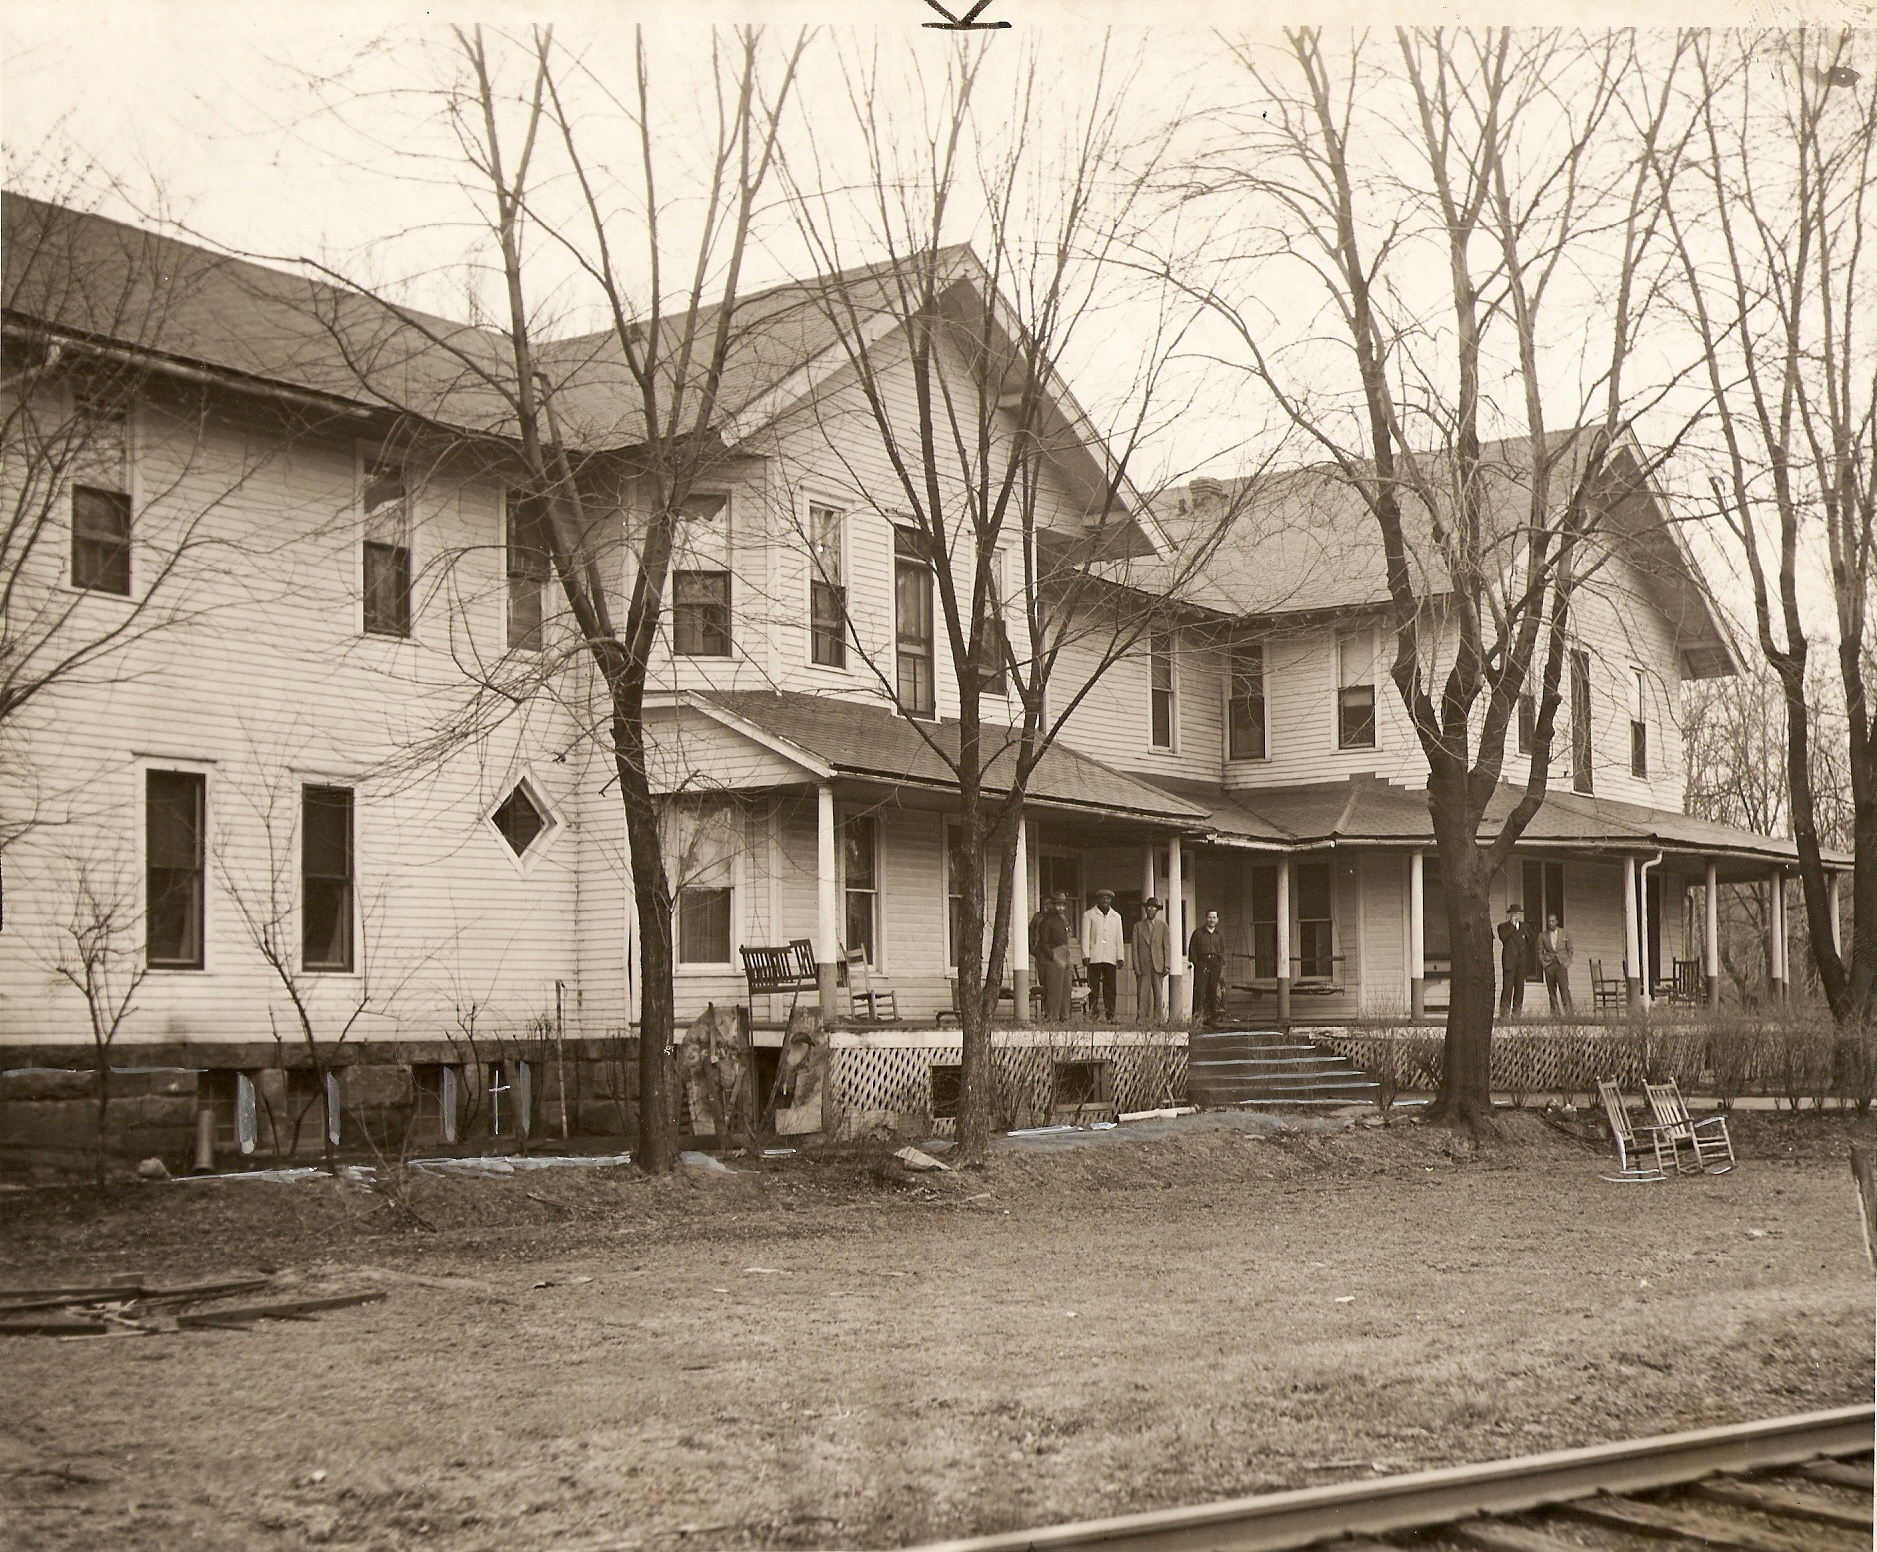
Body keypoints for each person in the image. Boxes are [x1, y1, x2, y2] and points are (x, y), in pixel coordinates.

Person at [1081, 887, 1124, 1020]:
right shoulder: (1089, 915)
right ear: (1098, 900)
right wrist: (1085, 955)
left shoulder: (1116, 917)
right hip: (1094, 956)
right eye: (1102, 898)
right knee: (1093, 987)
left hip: (1110, 956)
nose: (1105, 901)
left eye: (1107, 898)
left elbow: (1119, 938)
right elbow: (1085, 937)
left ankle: (1110, 1015)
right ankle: (1093, 1014)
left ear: (1110, 900)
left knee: (1110, 987)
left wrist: (1120, 957)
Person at [1129, 896, 1170, 1024]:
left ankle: (1158, 1019)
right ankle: (1141, 1018)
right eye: (1149, 907)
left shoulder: (1162, 926)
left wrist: (1167, 965)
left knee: (1158, 993)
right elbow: (1134, 948)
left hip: (1158, 964)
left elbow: (1167, 946)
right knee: (1142, 993)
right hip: (1144, 964)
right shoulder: (1138, 926)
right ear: (1146, 909)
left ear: (1157, 910)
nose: (1151, 909)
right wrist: (1136, 966)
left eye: (1154, 907)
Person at [1036, 893, 1074, 1022]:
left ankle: (1065, 1016)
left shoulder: (1063, 920)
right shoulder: (1046, 921)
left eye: (1062, 905)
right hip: (1053, 956)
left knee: (1066, 987)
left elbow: (1068, 935)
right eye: (1058, 905)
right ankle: (1051, 1016)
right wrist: (1053, 956)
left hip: (1065, 954)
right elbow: (1043, 942)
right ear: (1052, 905)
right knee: (1055, 989)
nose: (1060, 908)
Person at [1187, 908, 1227, 1027]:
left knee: (1212, 991)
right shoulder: (1198, 933)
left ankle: (1211, 1018)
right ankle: (1197, 1019)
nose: (1212, 920)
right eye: (1210, 917)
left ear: (1217, 920)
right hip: (1202, 963)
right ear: (1206, 919)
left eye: (1214, 918)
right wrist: (1197, 963)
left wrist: (1219, 963)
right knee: (1199, 991)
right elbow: (1192, 950)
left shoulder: (1219, 935)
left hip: (1215, 964)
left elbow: (1222, 950)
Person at [1497, 902, 1530, 1015]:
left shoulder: (1524, 927)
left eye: (1518, 913)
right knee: (1507, 988)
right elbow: (1504, 938)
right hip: (1509, 962)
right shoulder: (1503, 927)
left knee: (1519, 989)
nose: (1516, 916)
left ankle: (1517, 1014)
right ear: (1509, 915)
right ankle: (1504, 1014)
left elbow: (1530, 940)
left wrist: (1523, 931)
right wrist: (1512, 925)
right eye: (1514, 913)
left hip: (1521, 963)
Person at [1538, 911, 1574, 1014]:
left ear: (1557, 922)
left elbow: (1570, 949)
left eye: (1553, 921)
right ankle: (1555, 1014)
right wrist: (1543, 962)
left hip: (1561, 964)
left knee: (1564, 989)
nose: (1550, 923)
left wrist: (1567, 961)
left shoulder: (1565, 933)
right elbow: (1539, 951)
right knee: (1551, 991)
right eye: (1549, 922)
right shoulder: (1542, 935)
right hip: (1549, 965)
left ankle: (1569, 1013)